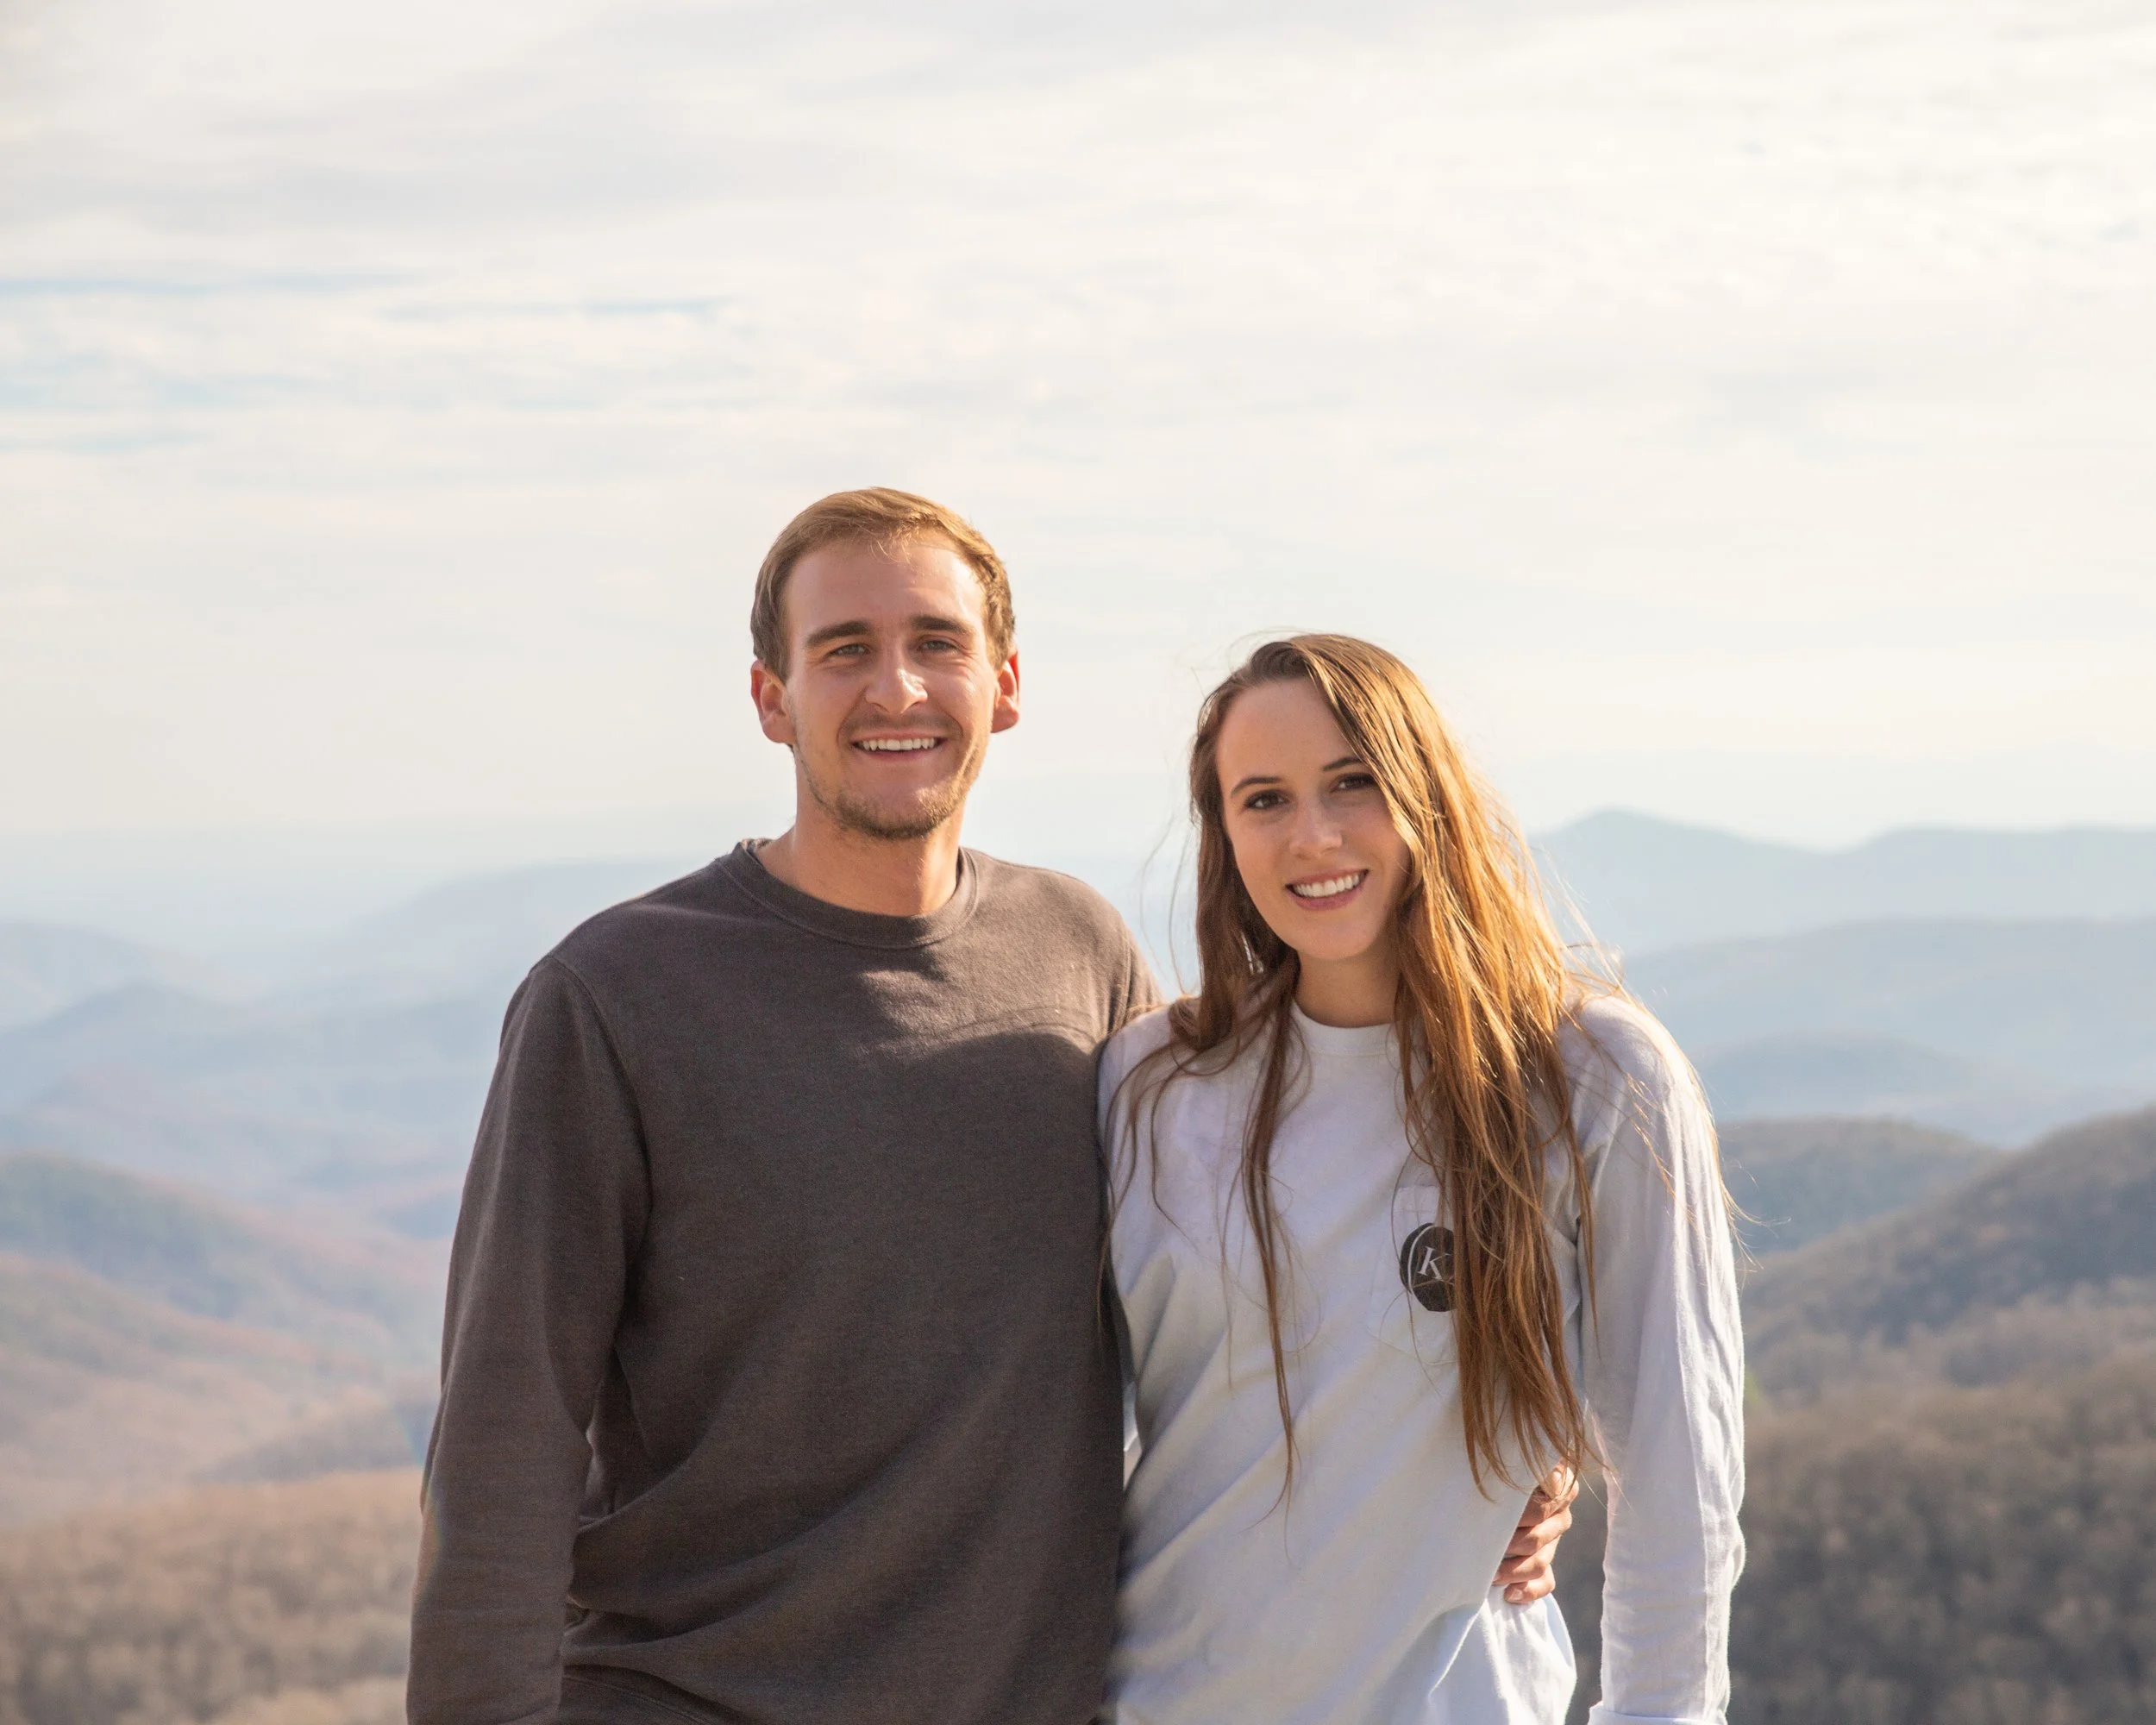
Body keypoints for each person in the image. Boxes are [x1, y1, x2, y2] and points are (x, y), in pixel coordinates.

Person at [409, 492, 1573, 1725]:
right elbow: (503, 1436)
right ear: (770, 699)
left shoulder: (1081, 954)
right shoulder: (616, 998)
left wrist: (1499, 1451)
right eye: (843, 649)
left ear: (1004, 684)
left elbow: (1263, 1283)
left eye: (937, 643)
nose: (897, 687)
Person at [1100, 636, 1745, 1723]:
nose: (1313, 834)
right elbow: (1079, 1433)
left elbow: (1679, 1484)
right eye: (1264, 799)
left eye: (1352, 781)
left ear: (1428, 794)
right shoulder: (1154, 1082)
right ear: (1224, 837)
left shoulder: (1593, 1077)